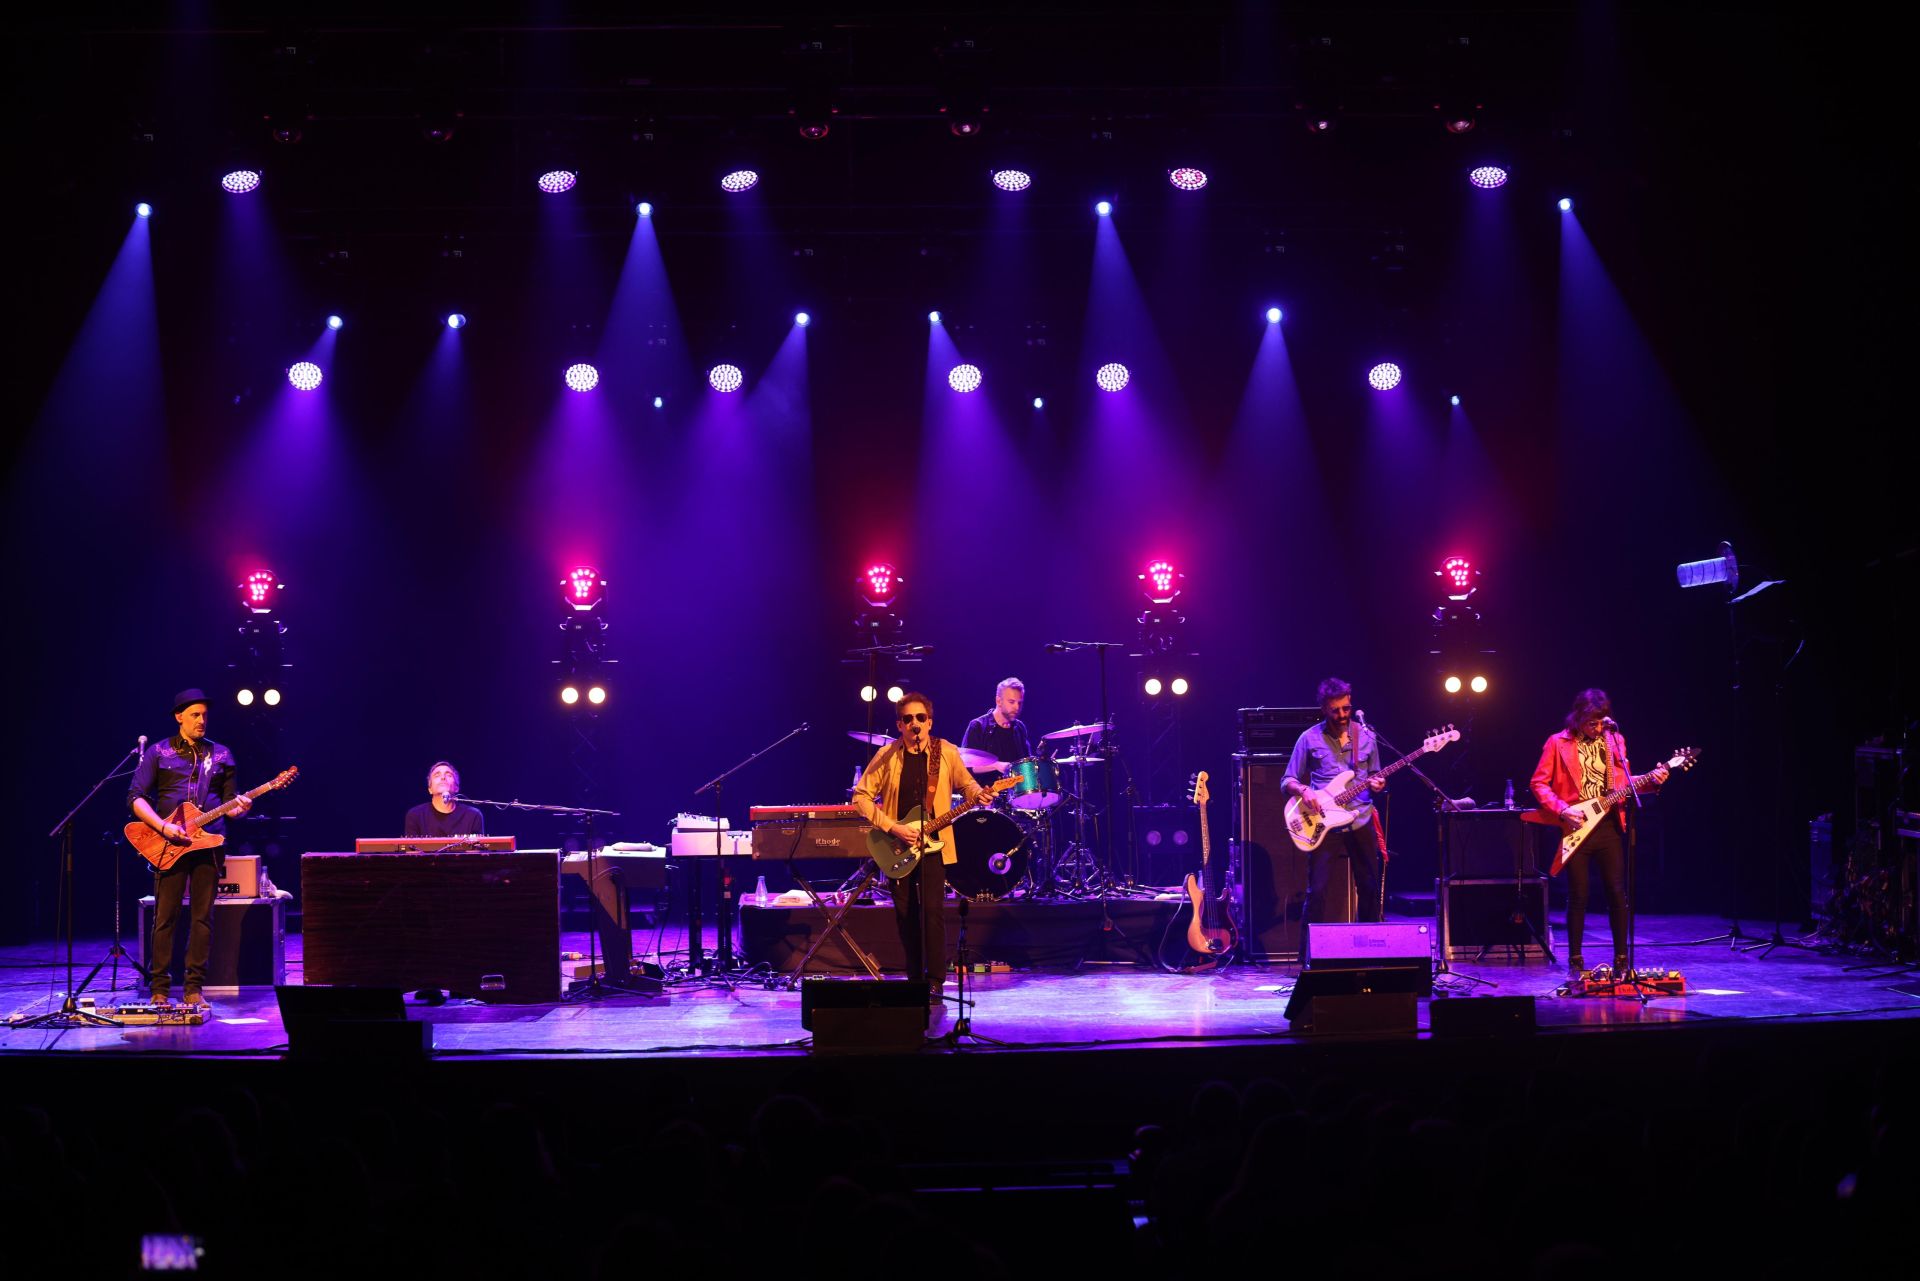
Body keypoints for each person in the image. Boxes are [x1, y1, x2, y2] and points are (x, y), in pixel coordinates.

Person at [851, 692, 992, 1000]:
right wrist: (893, 827)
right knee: (905, 913)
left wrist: (977, 792)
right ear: (899, 725)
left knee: (932, 912)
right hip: (897, 844)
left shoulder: (947, 752)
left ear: (930, 722)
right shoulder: (888, 755)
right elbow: (860, 796)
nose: (915, 724)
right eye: (908, 719)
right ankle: (914, 976)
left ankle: (936, 979)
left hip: (933, 846)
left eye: (921, 718)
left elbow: (966, 783)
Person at [1528, 688, 1667, 977]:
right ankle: (1576, 960)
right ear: (1577, 717)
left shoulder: (1615, 740)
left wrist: (1653, 780)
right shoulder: (1557, 743)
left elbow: (1625, 783)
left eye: (1601, 721)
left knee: (1617, 893)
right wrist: (1563, 809)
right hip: (1577, 824)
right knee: (1579, 894)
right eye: (1591, 722)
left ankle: (1621, 959)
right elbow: (1539, 784)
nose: (1597, 727)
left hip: (1609, 825)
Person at [128, 688, 251, 1006]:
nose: (201, 720)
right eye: (195, 714)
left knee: (202, 917)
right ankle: (159, 989)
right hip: (168, 843)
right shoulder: (158, 752)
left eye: (205, 715)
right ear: (179, 717)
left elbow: (230, 806)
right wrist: (163, 826)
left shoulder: (222, 754)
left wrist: (240, 808)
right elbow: (136, 797)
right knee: (165, 916)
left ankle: (194, 988)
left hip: (209, 843)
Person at [1282, 677, 1386, 928]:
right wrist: (1304, 790)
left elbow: (1375, 775)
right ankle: (1310, 956)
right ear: (1324, 709)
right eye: (1335, 710)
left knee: (1370, 887)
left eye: (1346, 708)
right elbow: (1287, 780)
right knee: (1317, 890)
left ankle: (1370, 951)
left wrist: (1378, 783)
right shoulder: (1309, 738)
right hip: (1323, 821)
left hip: (1360, 818)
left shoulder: (1367, 736)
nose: (1342, 714)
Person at [961, 677, 1034, 775]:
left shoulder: (1019, 727)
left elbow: (1026, 762)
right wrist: (996, 765)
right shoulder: (978, 726)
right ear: (998, 701)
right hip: (985, 789)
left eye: (1019, 703)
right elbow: (968, 767)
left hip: (1015, 789)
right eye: (1011, 702)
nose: (1017, 707)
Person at [403, 760, 486, 839]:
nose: (443, 777)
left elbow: (476, 852)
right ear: (430, 789)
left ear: (456, 787)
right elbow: (412, 852)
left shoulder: (473, 815)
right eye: (437, 775)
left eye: (448, 775)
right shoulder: (415, 815)